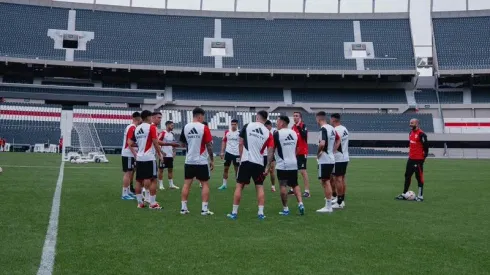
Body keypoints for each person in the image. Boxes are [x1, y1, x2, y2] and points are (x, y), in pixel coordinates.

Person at [227, 110, 274, 220]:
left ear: (257, 117)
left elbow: (240, 142)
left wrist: (240, 157)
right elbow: (271, 150)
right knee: (259, 187)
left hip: (246, 160)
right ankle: (261, 213)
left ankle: (234, 213)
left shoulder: (248, 126)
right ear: (266, 119)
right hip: (259, 163)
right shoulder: (268, 133)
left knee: (239, 186)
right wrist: (267, 166)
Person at [179, 108, 214, 215]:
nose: (203, 118)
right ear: (200, 116)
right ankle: (204, 210)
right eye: (203, 117)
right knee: (205, 185)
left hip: (189, 161)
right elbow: (209, 145)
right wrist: (211, 160)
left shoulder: (186, 127)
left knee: (186, 184)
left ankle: (183, 209)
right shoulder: (204, 127)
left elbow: (183, 144)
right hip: (201, 161)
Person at [130, 110, 163, 209]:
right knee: (153, 180)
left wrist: (140, 145)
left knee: (139, 181)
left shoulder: (137, 128)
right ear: (148, 117)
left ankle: (140, 203)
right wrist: (159, 154)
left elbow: (131, 143)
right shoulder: (151, 127)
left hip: (139, 158)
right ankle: (152, 204)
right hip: (149, 157)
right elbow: (155, 142)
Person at [272, 116, 305, 216]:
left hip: (282, 164)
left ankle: (285, 209)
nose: (276, 123)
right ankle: (301, 203)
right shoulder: (294, 133)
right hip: (293, 163)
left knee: (283, 185)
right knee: (295, 184)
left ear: (282, 123)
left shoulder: (277, 134)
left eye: (277, 121)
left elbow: (272, 149)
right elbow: (298, 148)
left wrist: (269, 163)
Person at [395, 118, 429, 202]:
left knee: (419, 177)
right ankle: (404, 194)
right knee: (407, 176)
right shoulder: (410, 133)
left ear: (417, 124)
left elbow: (426, 147)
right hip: (410, 159)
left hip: (418, 160)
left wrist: (423, 158)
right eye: (410, 123)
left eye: (412, 123)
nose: (410, 125)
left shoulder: (422, 134)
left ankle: (420, 196)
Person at [315, 111, 340, 213]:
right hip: (331, 158)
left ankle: (328, 206)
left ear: (318, 119)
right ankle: (329, 203)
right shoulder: (332, 129)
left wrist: (317, 154)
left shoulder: (323, 129)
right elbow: (337, 140)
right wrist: (332, 150)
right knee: (326, 181)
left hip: (324, 159)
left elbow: (322, 143)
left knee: (325, 182)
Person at [121, 112, 141, 200]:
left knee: (129, 173)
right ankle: (124, 194)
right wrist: (135, 154)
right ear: (138, 119)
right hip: (128, 153)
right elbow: (129, 143)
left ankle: (128, 191)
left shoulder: (133, 127)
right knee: (127, 173)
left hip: (129, 153)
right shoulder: (132, 127)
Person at [330, 113, 349, 209]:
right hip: (345, 157)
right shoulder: (344, 129)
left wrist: (331, 152)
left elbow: (336, 144)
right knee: (342, 178)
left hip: (338, 158)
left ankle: (340, 202)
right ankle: (341, 199)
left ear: (333, 119)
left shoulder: (336, 130)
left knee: (338, 179)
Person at [292, 111, 310, 197]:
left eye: (297, 116)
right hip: (294, 153)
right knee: (293, 171)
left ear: (300, 118)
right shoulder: (292, 128)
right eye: (294, 116)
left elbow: (304, 136)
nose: (295, 117)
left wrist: (299, 126)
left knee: (303, 171)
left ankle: (307, 191)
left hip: (302, 152)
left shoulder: (303, 126)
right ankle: (293, 188)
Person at [157, 120, 180, 190]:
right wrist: (161, 152)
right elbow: (157, 142)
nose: (173, 127)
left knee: (170, 169)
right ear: (167, 125)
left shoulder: (172, 134)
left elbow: (173, 144)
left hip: (170, 155)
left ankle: (171, 184)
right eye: (171, 125)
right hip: (163, 155)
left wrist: (174, 152)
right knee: (161, 170)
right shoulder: (163, 133)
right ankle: (161, 185)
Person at [218, 119, 240, 190]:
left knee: (237, 170)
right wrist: (222, 151)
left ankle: (238, 185)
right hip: (228, 153)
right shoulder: (227, 132)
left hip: (237, 154)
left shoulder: (240, 132)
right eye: (232, 124)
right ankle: (224, 184)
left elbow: (242, 143)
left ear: (237, 125)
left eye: (234, 124)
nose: (233, 126)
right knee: (225, 169)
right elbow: (224, 141)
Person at [264, 120, 277, 192]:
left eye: (267, 126)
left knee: (272, 170)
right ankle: (260, 184)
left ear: (270, 126)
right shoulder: (263, 132)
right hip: (263, 154)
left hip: (271, 154)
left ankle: (273, 186)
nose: (266, 128)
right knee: (263, 171)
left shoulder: (274, 132)